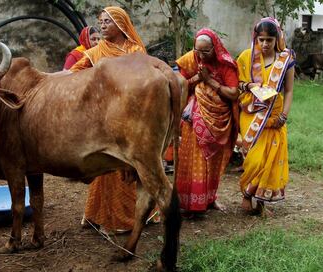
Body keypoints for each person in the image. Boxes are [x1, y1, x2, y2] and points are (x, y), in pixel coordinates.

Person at [70, 6, 157, 234]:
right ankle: (100, 215)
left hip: (130, 116)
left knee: (130, 165)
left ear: (121, 24)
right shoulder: (97, 51)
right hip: (103, 117)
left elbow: (144, 82)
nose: (102, 25)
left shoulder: (136, 50)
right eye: (101, 22)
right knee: (105, 168)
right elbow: (74, 73)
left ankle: (125, 220)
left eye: (108, 21)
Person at [175, 28, 239, 214]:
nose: (201, 55)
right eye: (198, 50)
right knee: (193, 159)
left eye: (206, 51)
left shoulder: (226, 65)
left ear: (215, 48)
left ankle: (209, 199)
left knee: (213, 162)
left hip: (219, 121)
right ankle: (190, 203)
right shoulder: (190, 60)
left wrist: (210, 81)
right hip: (193, 117)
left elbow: (234, 93)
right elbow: (179, 84)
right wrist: (198, 78)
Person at [237, 17, 295, 214]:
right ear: (256, 38)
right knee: (255, 159)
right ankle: (247, 194)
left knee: (270, 159)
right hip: (251, 115)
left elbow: (288, 91)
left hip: (275, 115)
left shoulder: (285, 60)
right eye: (261, 39)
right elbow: (237, 84)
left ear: (276, 39)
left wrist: (284, 116)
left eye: (269, 40)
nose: (264, 44)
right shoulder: (246, 57)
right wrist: (249, 85)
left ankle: (259, 200)